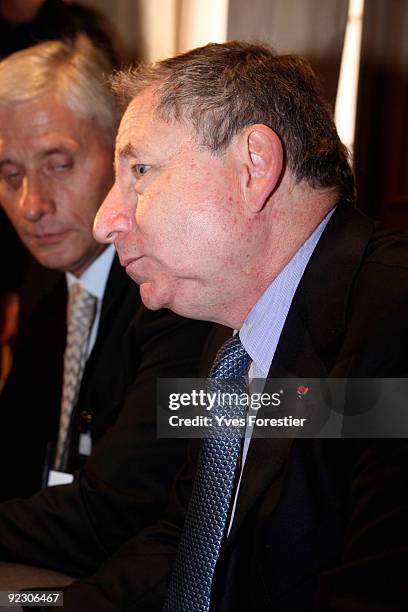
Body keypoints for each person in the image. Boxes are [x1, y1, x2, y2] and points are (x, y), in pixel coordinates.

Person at [55, 41, 408, 610]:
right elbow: (187, 542)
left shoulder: (394, 323)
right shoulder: (229, 339)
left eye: (139, 170)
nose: (105, 222)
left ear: (254, 167)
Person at [0, 39, 212, 581]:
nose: (32, 204)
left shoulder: (174, 288)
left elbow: (112, 511)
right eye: (8, 173)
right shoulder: (46, 279)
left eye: (58, 163)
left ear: (121, 154)